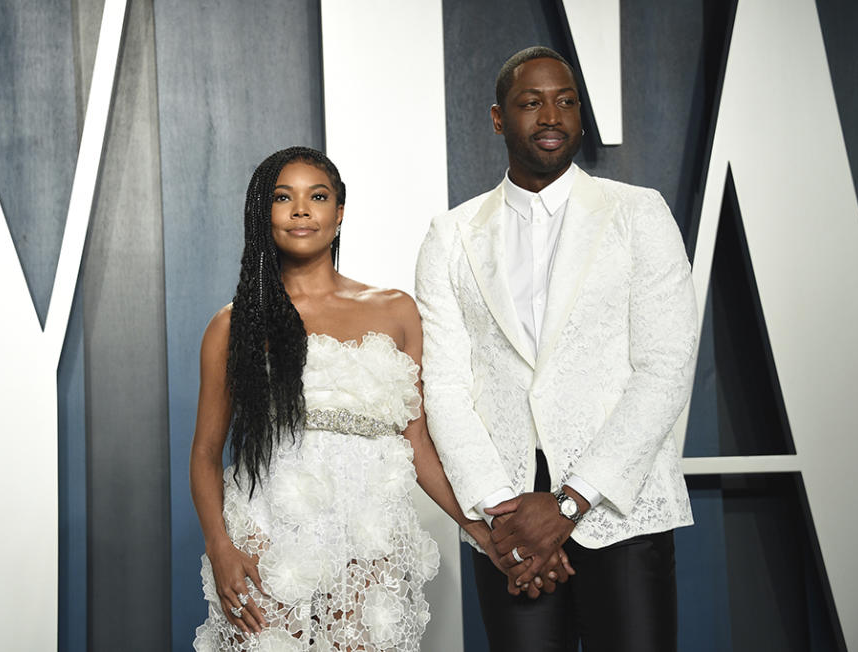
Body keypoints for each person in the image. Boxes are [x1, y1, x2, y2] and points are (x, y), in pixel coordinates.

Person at [415, 47, 698, 651]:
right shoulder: (451, 235)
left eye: (566, 101)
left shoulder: (638, 213)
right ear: (497, 118)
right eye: (531, 102)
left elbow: (665, 369)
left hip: (619, 502)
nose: (552, 115)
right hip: (508, 516)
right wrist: (502, 514)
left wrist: (569, 505)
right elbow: (445, 387)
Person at [190, 146, 496, 651]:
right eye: (283, 197)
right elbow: (205, 453)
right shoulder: (233, 324)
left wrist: (474, 523)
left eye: (318, 196)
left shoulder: (395, 310)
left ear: (339, 212)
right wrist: (220, 547)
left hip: (368, 537)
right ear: (262, 214)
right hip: (269, 539)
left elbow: (415, 440)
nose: (301, 209)